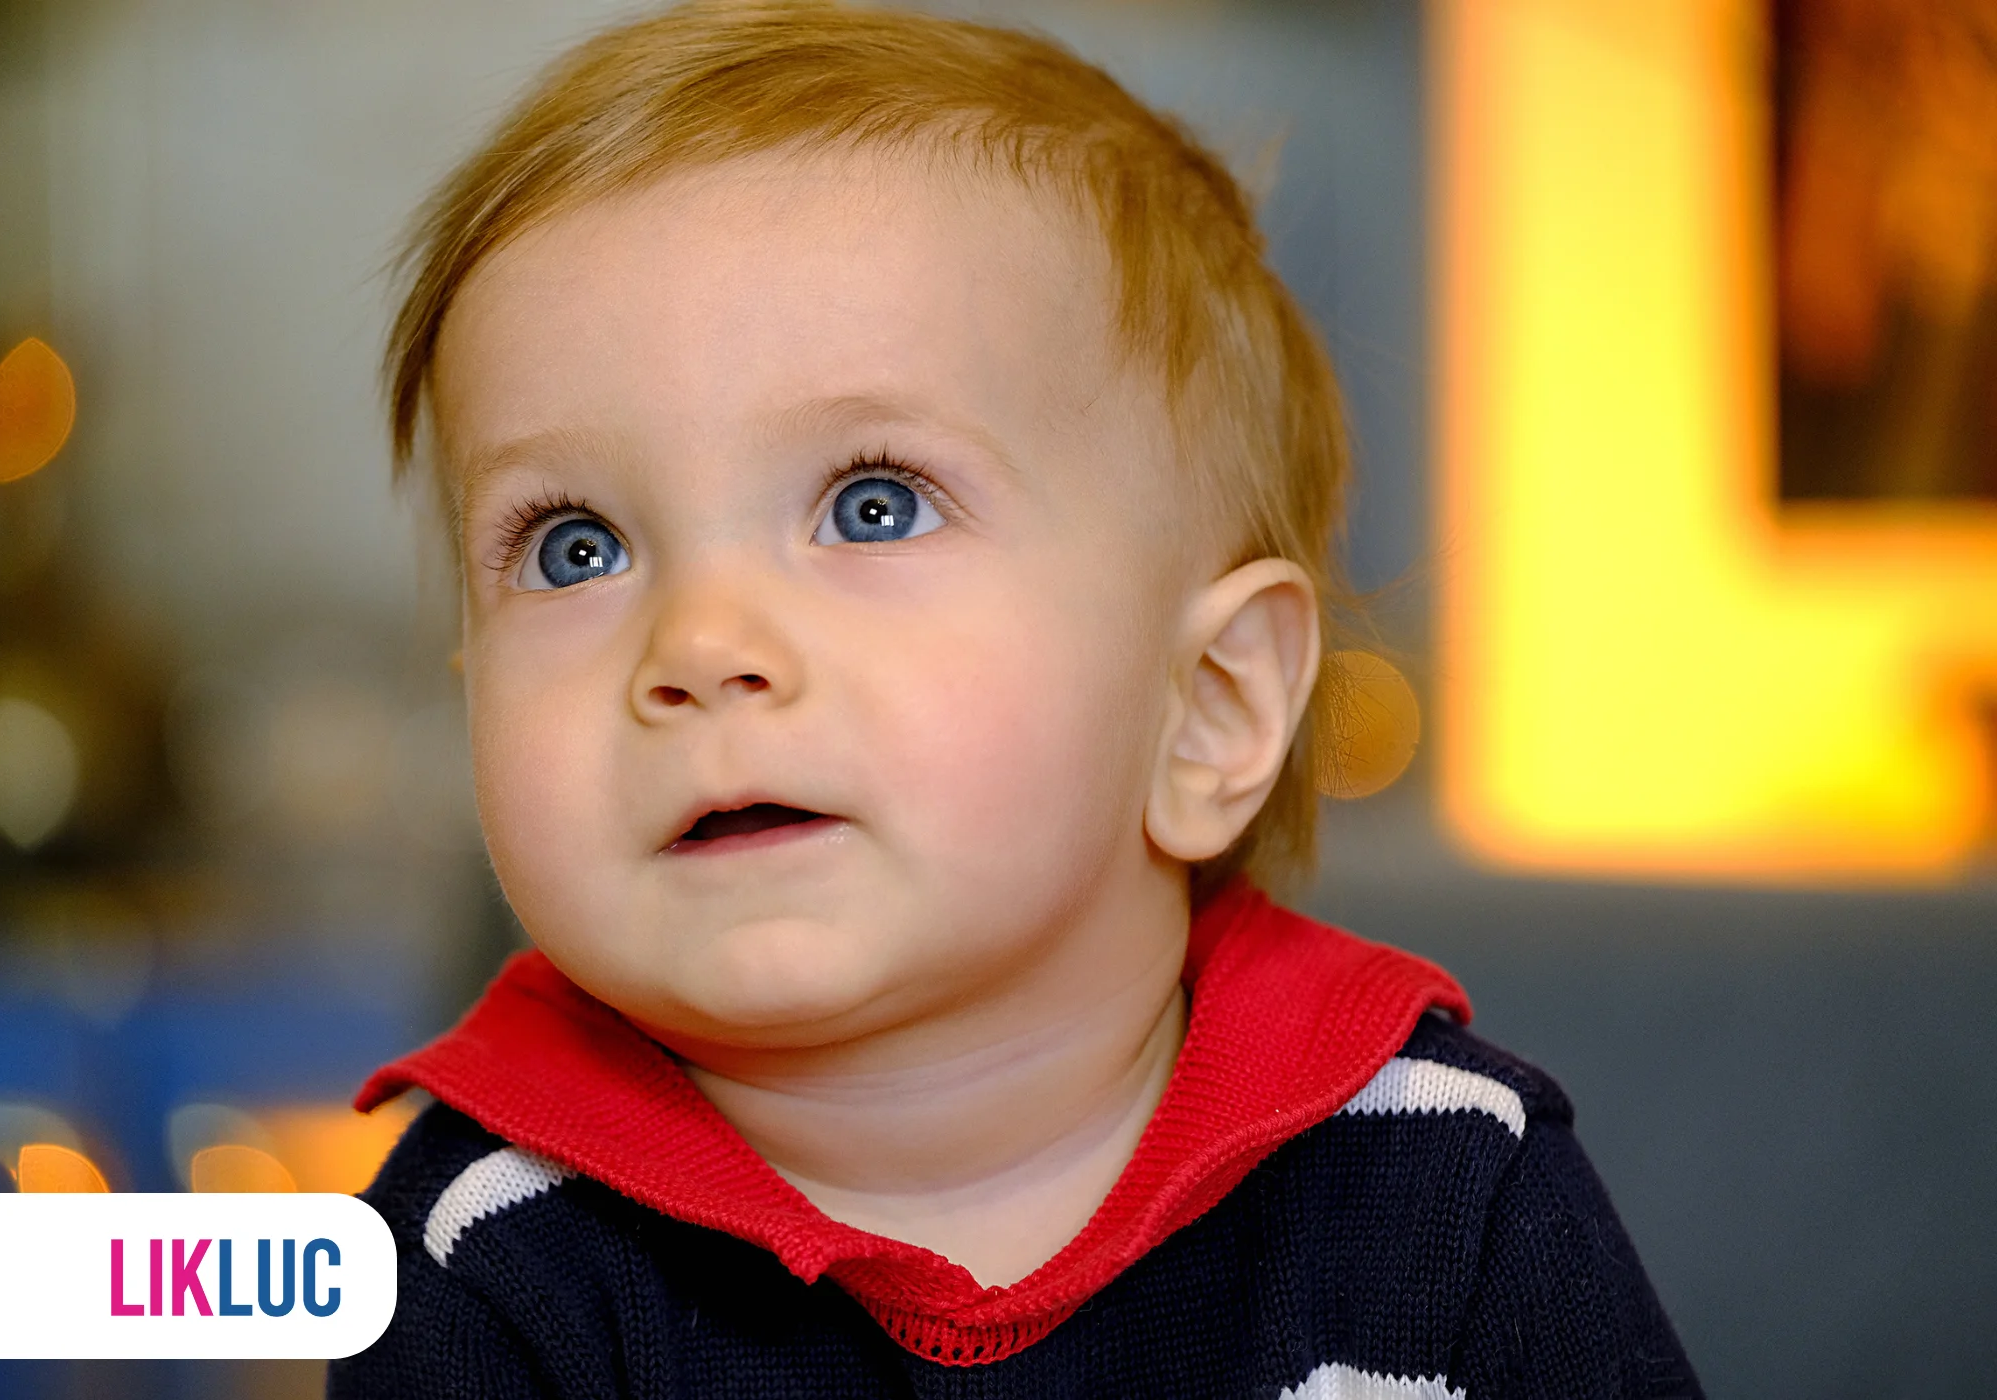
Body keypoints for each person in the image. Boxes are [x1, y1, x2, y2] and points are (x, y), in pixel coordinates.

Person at [330, 3, 1702, 1395]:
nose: (697, 643)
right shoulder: (481, 1243)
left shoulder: (1444, 1184)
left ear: (1209, 705)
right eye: (575, 548)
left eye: (873, 506)